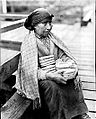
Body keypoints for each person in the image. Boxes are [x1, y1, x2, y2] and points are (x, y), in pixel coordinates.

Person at [14, 8, 91, 119]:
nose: (49, 27)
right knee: (52, 87)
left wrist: (69, 65)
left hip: (56, 71)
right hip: (39, 79)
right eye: (44, 24)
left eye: (50, 23)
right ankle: (59, 116)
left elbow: (62, 55)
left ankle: (78, 114)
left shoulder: (52, 39)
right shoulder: (29, 43)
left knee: (72, 80)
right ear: (35, 25)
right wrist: (49, 75)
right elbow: (29, 71)